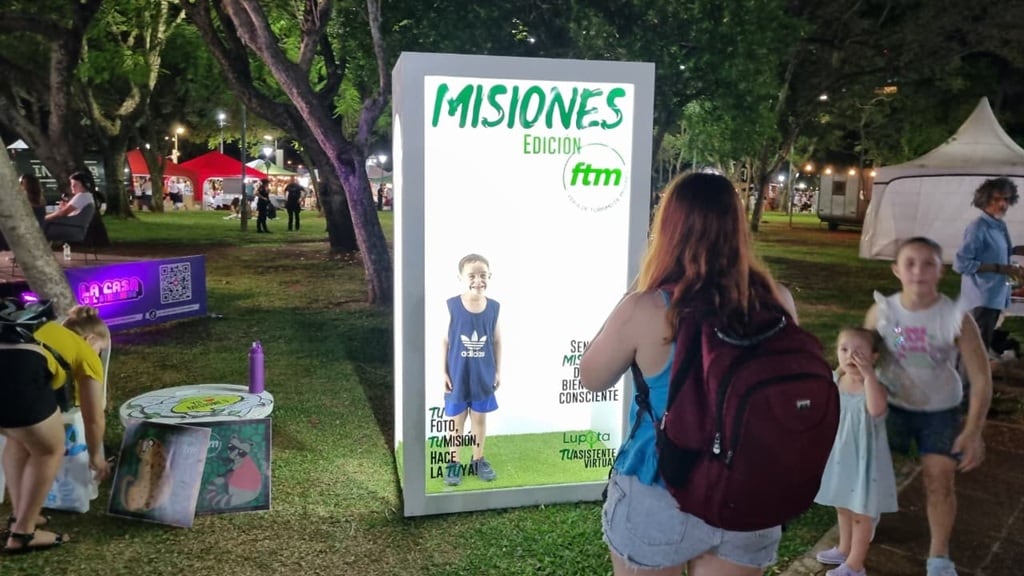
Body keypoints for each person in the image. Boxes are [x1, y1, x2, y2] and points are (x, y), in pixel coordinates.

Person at [579, 172, 794, 576]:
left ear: (668, 228)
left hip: (660, 487)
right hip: (748, 491)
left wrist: (634, 295)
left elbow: (591, 376)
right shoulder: (777, 301)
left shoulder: (648, 307)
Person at [865, 236, 992, 576]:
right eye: (910, 263)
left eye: (928, 263)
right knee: (870, 475)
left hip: (939, 411)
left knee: (939, 482)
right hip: (890, 406)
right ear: (896, 270)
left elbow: (981, 378)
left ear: (940, 270)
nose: (918, 271)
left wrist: (973, 430)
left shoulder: (955, 318)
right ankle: (861, 533)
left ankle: (938, 555)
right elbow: (861, 362)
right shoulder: (882, 311)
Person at [0, 305, 112, 553]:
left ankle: (21, 515)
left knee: (19, 440)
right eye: (100, 350)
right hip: (18, 370)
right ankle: (23, 534)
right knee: (50, 449)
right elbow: (93, 417)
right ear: (90, 339)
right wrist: (97, 457)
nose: (98, 355)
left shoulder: (45, 331)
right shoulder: (84, 350)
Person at [813, 327, 898, 576]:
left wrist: (869, 376)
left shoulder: (875, 386)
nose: (851, 356)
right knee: (842, 505)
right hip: (840, 457)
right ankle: (844, 548)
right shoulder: (836, 381)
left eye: (859, 352)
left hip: (864, 461)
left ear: (873, 357)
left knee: (861, 513)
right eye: (844, 349)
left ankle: (855, 564)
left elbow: (875, 410)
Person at [441, 253, 501, 486]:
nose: (478, 280)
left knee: (479, 419)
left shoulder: (494, 307)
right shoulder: (452, 306)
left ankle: (478, 459)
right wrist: (442, 372)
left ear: (490, 276)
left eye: (483, 275)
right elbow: (444, 341)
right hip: (457, 374)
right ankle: (453, 462)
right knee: (456, 420)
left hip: (482, 375)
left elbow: (497, 340)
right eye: (472, 276)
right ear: (460, 277)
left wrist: (498, 370)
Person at [953, 177, 1024, 356]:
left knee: (980, 347)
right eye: (997, 199)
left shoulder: (998, 225)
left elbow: (995, 252)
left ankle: (972, 382)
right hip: (981, 298)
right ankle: (969, 383)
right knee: (976, 350)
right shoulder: (978, 228)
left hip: (994, 295)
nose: (1002, 204)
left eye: (1006, 199)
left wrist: (1015, 251)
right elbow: (961, 263)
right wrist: (1000, 269)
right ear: (985, 200)